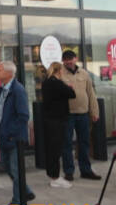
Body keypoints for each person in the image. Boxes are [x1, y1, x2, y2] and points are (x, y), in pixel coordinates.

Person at [0, 61, 34, 205]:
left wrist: (11, 133)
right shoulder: (2, 89)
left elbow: (23, 115)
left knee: (16, 171)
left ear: (9, 73)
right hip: (4, 136)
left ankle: (18, 201)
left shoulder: (18, 90)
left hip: (14, 138)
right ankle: (26, 191)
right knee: (9, 168)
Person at [61, 50, 102, 180]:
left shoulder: (84, 73)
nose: (69, 62)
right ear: (63, 61)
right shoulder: (60, 74)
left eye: (71, 59)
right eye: (66, 59)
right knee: (67, 144)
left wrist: (94, 111)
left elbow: (91, 93)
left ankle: (86, 170)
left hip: (83, 114)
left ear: (75, 59)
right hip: (67, 115)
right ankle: (69, 172)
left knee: (84, 143)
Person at [41, 62, 76, 189]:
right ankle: (55, 178)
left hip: (49, 120)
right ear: (59, 71)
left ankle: (52, 175)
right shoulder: (57, 83)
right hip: (57, 120)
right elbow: (72, 94)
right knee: (56, 149)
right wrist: (69, 87)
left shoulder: (46, 83)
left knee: (51, 149)